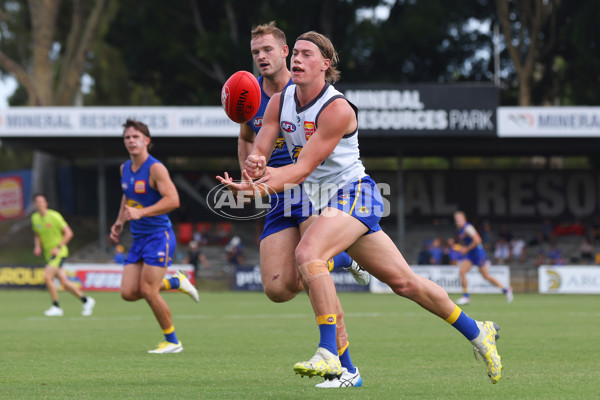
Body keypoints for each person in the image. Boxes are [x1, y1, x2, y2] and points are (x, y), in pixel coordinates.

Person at [218, 31, 503, 384]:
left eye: (307, 54)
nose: (298, 60)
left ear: (325, 64)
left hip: (355, 195)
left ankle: (328, 354)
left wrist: (256, 186)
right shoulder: (279, 101)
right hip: (324, 200)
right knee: (405, 283)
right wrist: (256, 167)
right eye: (297, 54)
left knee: (309, 253)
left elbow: (301, 169)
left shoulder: (336, 109)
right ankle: (478, 330)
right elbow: (261, 148)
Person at [236, 21, 367, 388]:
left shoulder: (312, 92)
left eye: (268, 50)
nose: (261, 57)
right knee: (277, 289)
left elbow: (308, 164)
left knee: (313, 274)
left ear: (284, 52)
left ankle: (347, 368)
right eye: (255, 53)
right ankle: (343, 258)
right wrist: (250, 169)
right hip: (278, 194)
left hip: (312, 190)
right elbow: (247, 137)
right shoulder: (251, 96)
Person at [109, 119, 199, 354]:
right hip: (138, 239)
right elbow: (126, 197)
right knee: (128, 293)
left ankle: (173, 341)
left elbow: (173, 200)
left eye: (136, 137)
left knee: (149, 291)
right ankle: (175, 282)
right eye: (127, 137)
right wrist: (119, 222)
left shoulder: (155, 168)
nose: (131, 141)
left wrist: (142, 212)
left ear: (146, 141)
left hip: (159, 237)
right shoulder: (124, 168)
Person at [31, 193, 96, 317]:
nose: (40, 204)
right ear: (35, 205)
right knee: (64, 282)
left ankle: (56, 307)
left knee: (47, 277)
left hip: (59, 253)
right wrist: (37, 247)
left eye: (42, 202)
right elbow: (37, 234)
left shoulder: (55, 216)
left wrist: (58, 247)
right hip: (47, 254)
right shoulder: (35, 218)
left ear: (46, 203)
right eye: (37, 202)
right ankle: (86, 301)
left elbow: (69, 233)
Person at [454, 211, 513, 305]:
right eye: (456, 220)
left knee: (486, 276)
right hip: (471, 254)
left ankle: (505, 289)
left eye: (459, 219)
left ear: (464, 219)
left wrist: (466, 249)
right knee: (462, 272)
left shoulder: (467, 227)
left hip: (478, 253)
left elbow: (478, 240)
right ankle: (466, 297)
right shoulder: (460, 230)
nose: (457, 221)